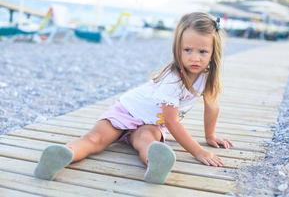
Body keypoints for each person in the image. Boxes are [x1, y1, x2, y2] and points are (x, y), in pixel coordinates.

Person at [34, 12, 233, 184]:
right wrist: (199, 151)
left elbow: (212, 107)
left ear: (213, 52)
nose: (194, 57)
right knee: (95, 139)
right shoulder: (173, 80)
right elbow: (172, 122)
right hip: (126, 111)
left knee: (147, 139)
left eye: (202, 51)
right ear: (177, 49)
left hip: (151, 123)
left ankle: (155, 165)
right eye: (187, 50)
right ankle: (63, 155)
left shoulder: (207, 77)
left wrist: (210, 136)